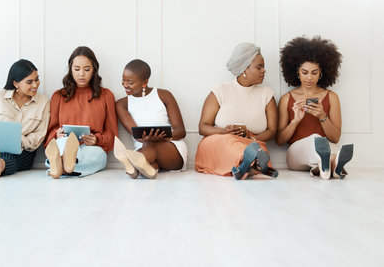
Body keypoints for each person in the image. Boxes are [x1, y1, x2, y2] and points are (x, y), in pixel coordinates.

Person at [195, 43, 278, 180]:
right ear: (245, 68)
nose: (264, 71)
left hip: (250, 143)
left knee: (256, 148)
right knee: (230, 143)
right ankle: (251, 163)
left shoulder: (267, 95)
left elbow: (272, 131)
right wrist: (225, 132)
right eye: (259, 67)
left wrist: (251, 138)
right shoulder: (220, 91)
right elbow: (202, 127)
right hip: (219, 143)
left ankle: (245, 166)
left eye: (264, 67)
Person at [276, 36, 353, 179]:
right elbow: (280, 140)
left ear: (321, 73)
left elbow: (335, 137)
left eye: (314, 72)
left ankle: (324, 168)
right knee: (317, 140)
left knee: (328, 146)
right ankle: (332, 162)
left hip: (325, 146)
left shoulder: (332, 97)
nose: (309, 78)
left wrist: (322, 116)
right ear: (297, 71)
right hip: (295, 154)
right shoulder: (287, 98)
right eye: (305, 72)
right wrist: (295, 120)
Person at [44, 46, 118, 179]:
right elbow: (50, 133)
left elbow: (112, 135)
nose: (81, 74)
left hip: (91, 148)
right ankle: (67, 164)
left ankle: (60, 165)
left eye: (87, 69)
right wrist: (57, 134)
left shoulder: (106, 96)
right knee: (62, 144)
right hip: (64, 142)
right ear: (70, 69)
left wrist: (96, 139)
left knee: (98, 155)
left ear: (94, 70)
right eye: (77, 69)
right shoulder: (59, 96)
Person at [0, 59, 50, 178]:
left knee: (8, 158)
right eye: (29, 82)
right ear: (16, 83)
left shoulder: (43, 102)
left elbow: (39, 134)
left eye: (37, 79)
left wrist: (19, 140)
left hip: (24, 151)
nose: (35, 85)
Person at [113, 59, 187, 179]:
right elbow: (136, 134)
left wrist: (162, 137)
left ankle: (129, 161)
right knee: (146, 168)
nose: (125, 85)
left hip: (171, 150)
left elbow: (180, 131)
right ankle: (143, 168)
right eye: (123, 80)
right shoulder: (121, 104)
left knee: (151, 145)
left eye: (130, 82)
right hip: (144, 148)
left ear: (144, 82)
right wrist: (147, 140)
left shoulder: (164, 95)